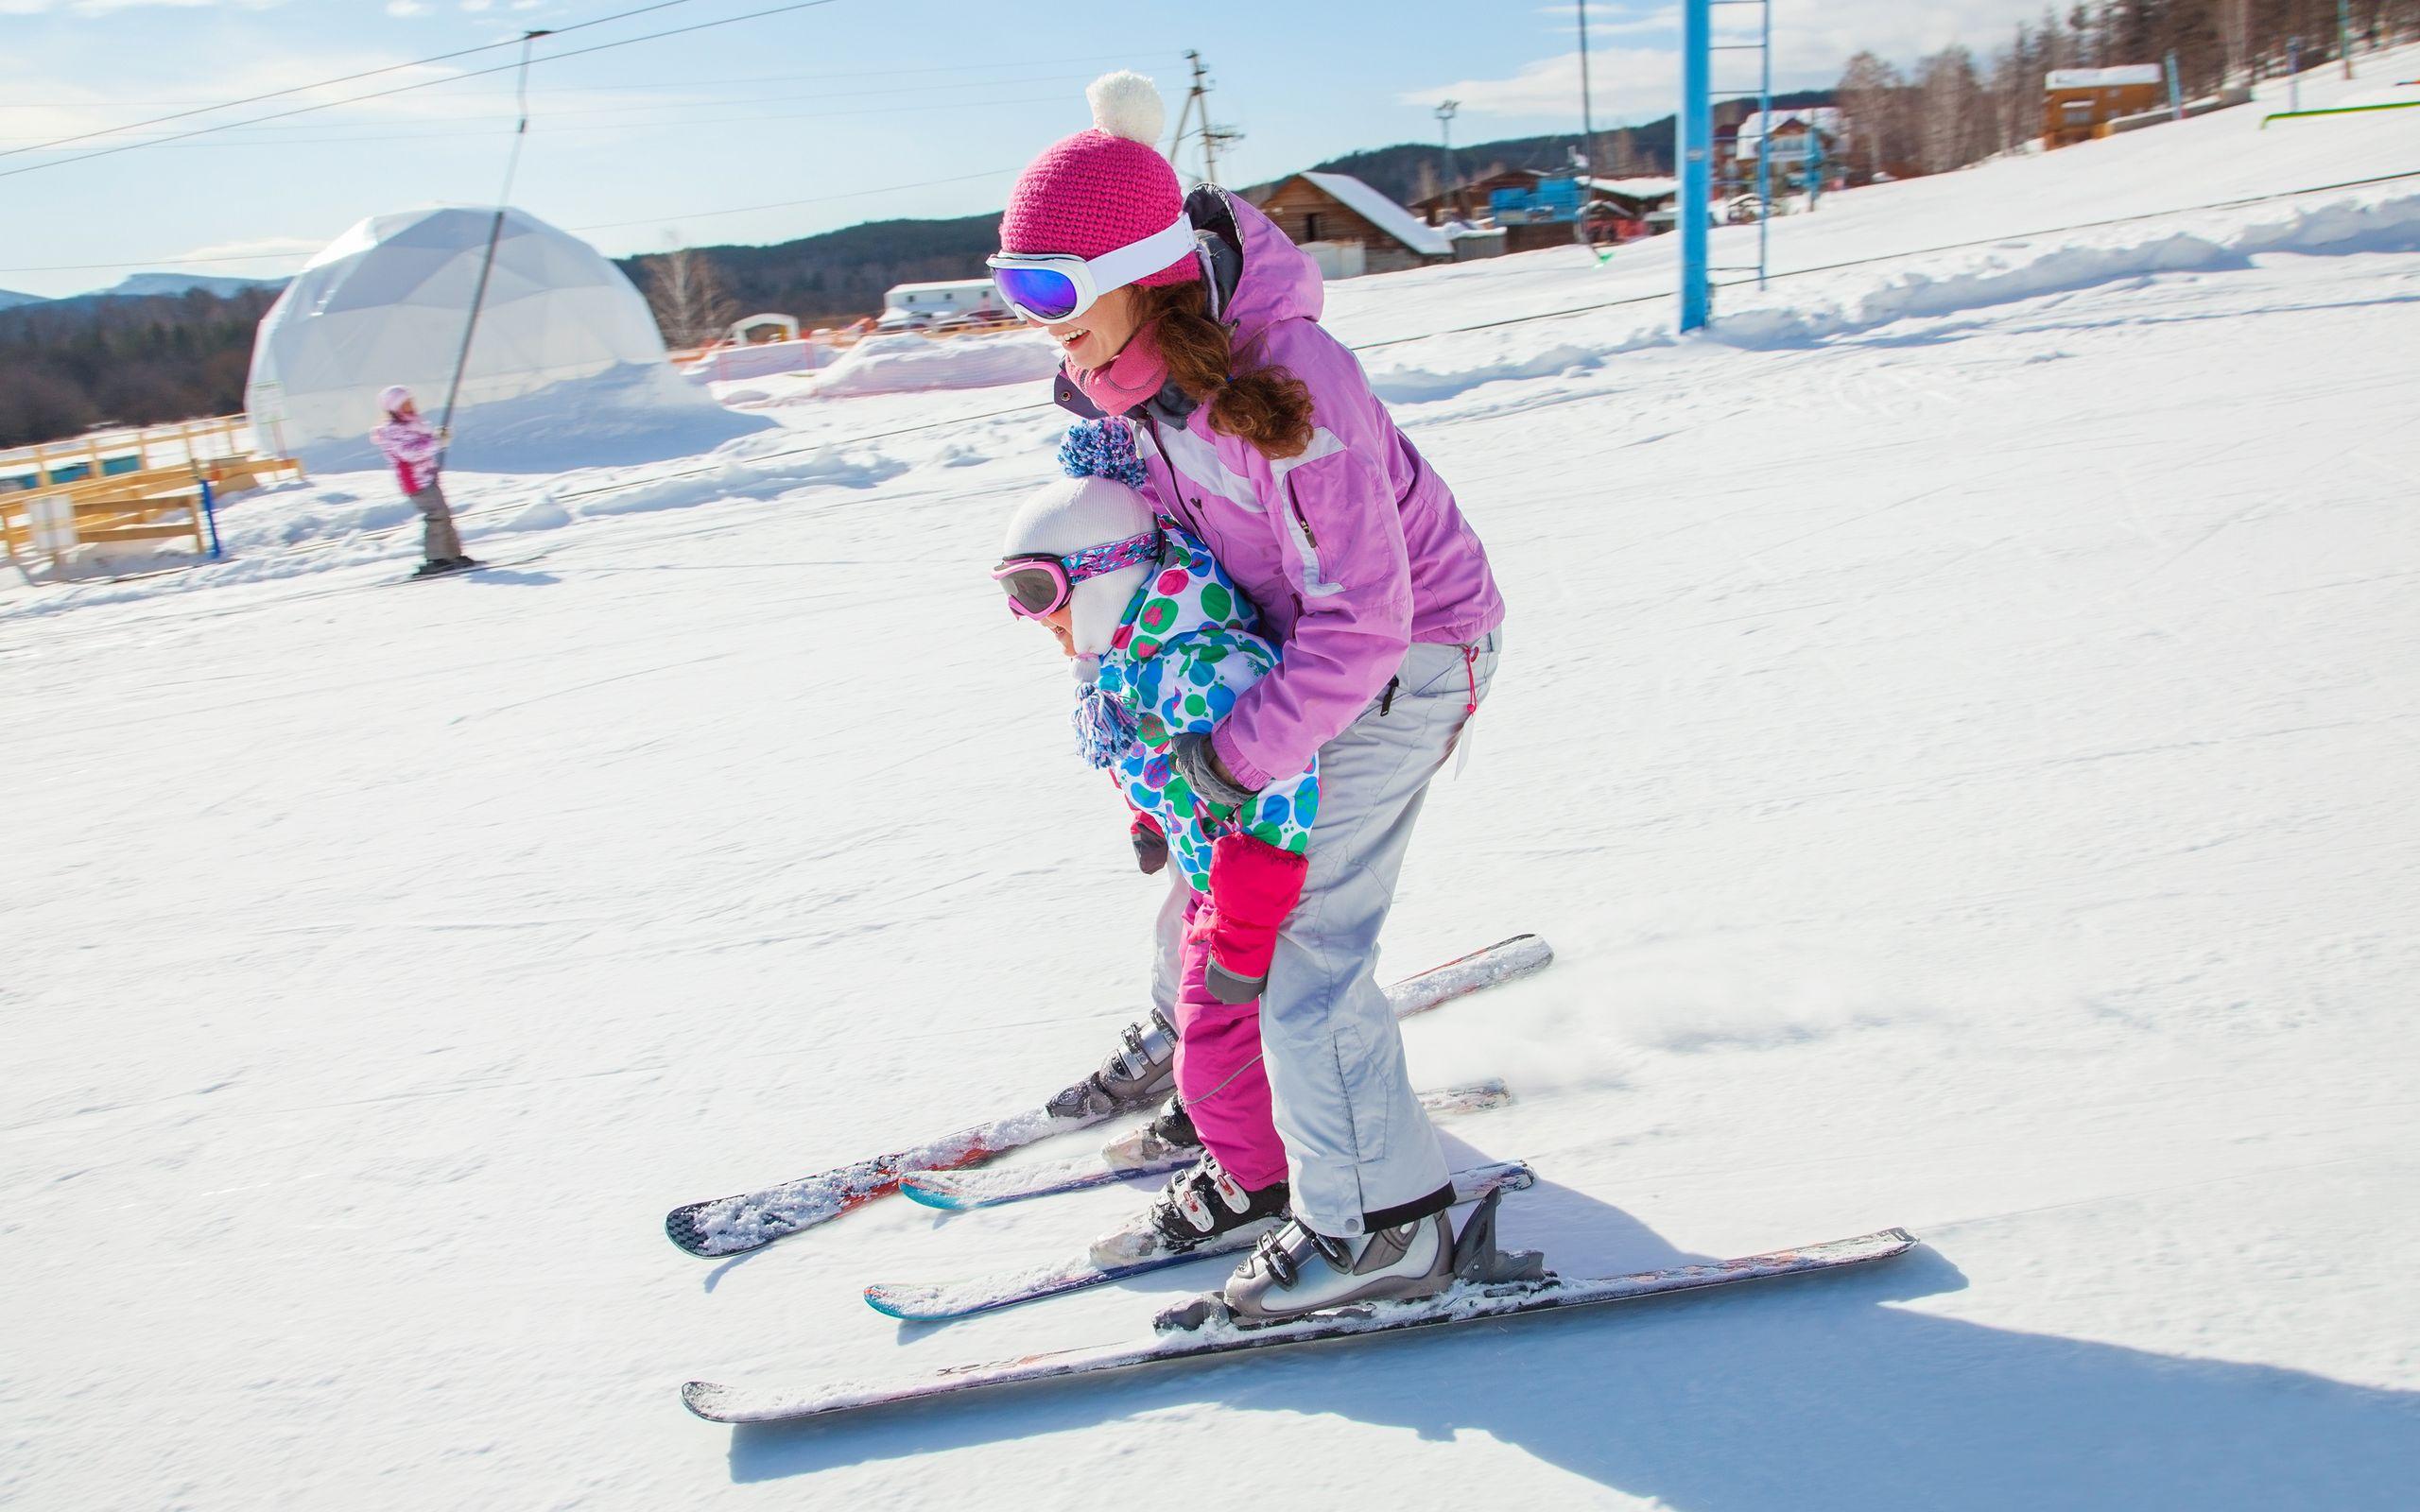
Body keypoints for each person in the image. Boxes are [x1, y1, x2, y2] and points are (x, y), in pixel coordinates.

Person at [993, 73, 1505, 1320]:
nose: (1043, 326)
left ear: (1147, 269)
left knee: (1302, 961)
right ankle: (1236, 1100)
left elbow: (1366, 622)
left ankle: (1384, 1231)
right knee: (1208, 880)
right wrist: (1168, 758)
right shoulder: (1130, 392)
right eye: (1020, 294)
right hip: (1290, 653)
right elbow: (1176, 578)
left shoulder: (1290, 378)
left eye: (1059, 292)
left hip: (1403, 659)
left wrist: (1238, 757)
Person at [996, 419, 1321, 1264]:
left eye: (1042, 596)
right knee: (1198, 1014)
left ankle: (1255, 1185)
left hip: (1259, 891)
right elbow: (1154, 759)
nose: (1039, 624)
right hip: (1220, 881)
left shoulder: (1202, 666)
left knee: (1215, 1029)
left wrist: (1246, 914)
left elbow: (1283, 790)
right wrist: (1149, 818)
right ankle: (1227, 1108)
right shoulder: (1141, 657)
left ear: (1108, 576)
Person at [370, 386, 476, 576]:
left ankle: (452, 555)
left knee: (444, 514)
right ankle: (435, 558)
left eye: (410, 401)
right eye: (405, 403)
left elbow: (424, 443)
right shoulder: (393, 430)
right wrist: (436, 442)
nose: (411, 405)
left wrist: (437, 437)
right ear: (394, 407)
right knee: (436, 515)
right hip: (415, 481)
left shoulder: (412, 423)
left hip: (426, 476)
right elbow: (409, 453)